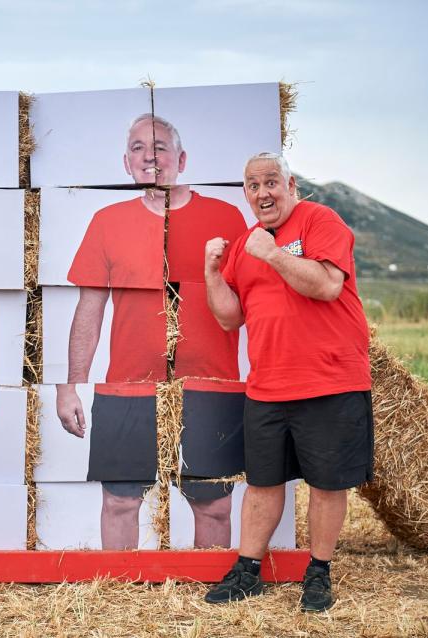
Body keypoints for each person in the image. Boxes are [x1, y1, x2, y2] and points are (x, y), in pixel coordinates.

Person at [56, 114, 247, 549]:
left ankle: (210, 603)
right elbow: (90, 309)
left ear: (181, 158)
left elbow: (255, 304)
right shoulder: (108, 220)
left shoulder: (227, 217)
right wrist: (70, 386)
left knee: (213, 504)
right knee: (120, 502)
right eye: (139, 148)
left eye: (159, 147)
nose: (150, 157)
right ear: (126, 164)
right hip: (128, 387)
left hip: (211, 385)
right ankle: (121, 601)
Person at [203, 152, 372, 612]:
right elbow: (228, 318)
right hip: (267, 386)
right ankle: (247, 572)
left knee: (326, 483)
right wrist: (212, 273)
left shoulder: (320, 220)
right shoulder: (245, 243)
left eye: (271, 182)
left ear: (291, 185)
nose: (263, 192)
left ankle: (318, 573)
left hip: (329, 381)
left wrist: (274, 254)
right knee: (262, 483)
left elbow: (326, 286)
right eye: (253, 185)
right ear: (246, 194)